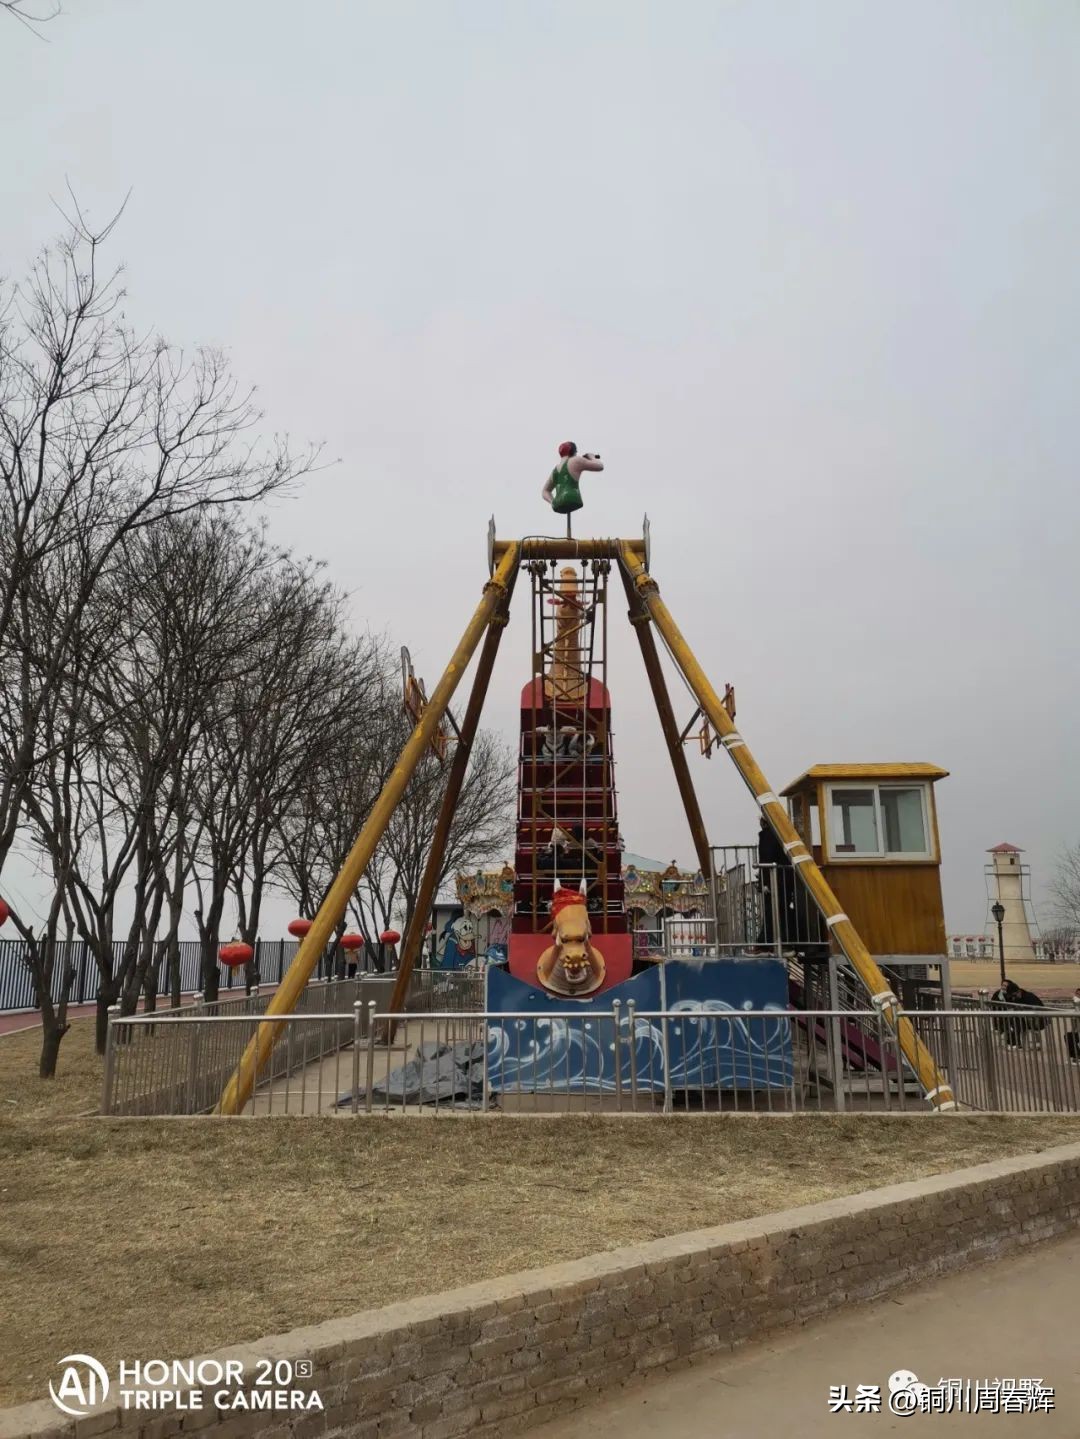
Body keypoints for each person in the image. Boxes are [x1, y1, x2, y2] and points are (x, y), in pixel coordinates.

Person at [541, 441, 604, 517]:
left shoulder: (555, 471)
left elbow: (545, 491)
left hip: (558, 503)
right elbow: (600, 466)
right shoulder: (575, 461)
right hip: (572, 499)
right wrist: (592, 457)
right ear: (572, 451)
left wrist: (553, 502)